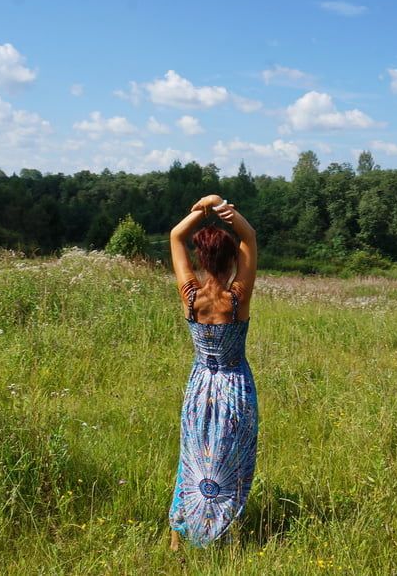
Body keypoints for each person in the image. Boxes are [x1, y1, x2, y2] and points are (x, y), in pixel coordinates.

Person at [167, 193, 258, 550]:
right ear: (233, 258)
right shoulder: (237, 298)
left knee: (192, 458)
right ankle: (222, 534)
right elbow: (249, 236)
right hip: (235, 386)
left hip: (200, 385)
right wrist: (226, 209)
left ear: (201, 258)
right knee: (230, 461)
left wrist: (203, 208)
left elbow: (176, 236)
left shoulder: (190, 295)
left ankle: (179, 538)